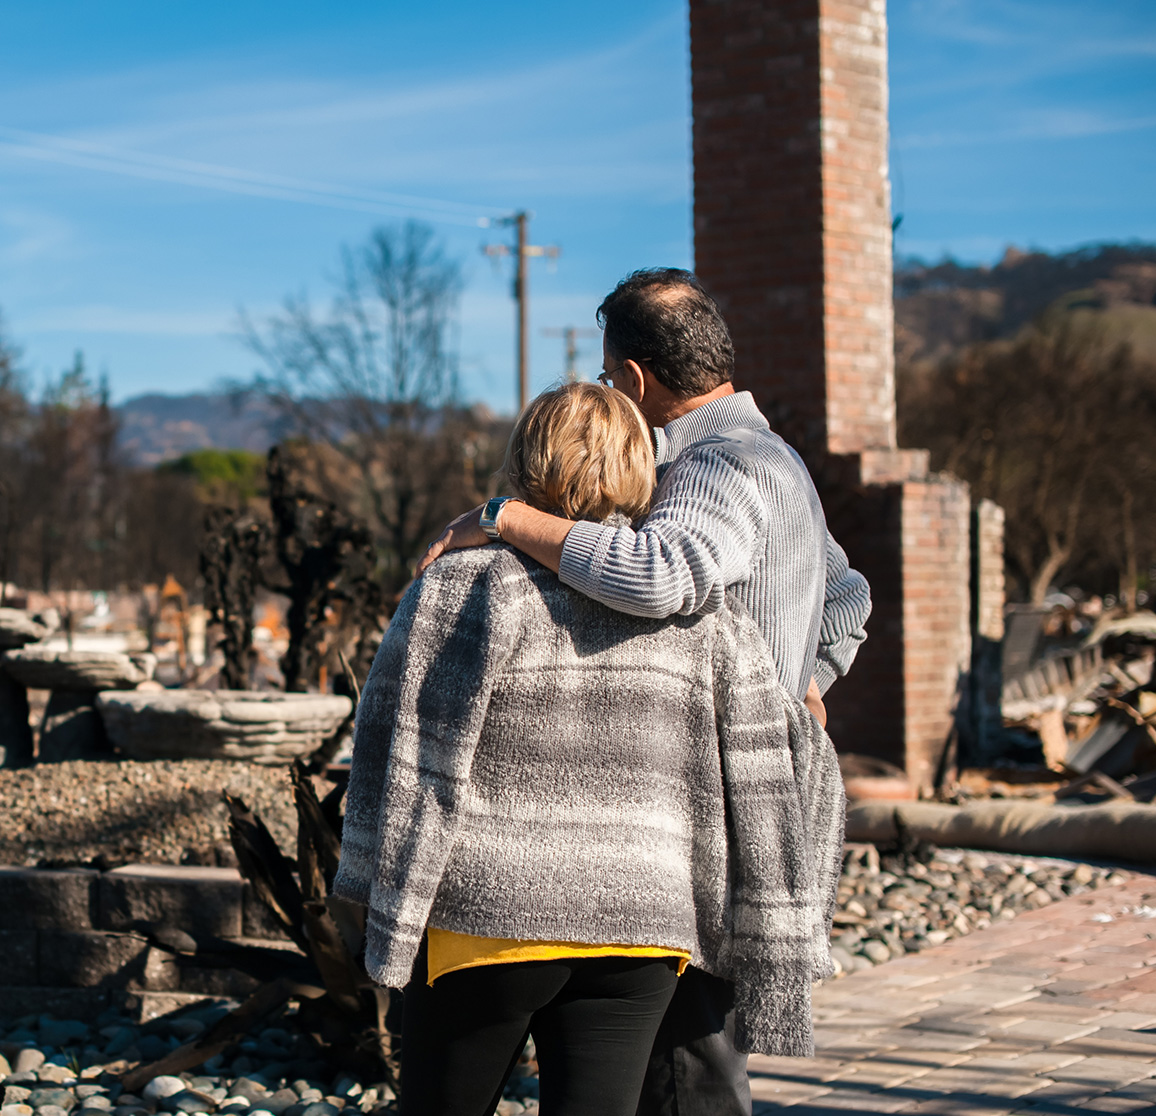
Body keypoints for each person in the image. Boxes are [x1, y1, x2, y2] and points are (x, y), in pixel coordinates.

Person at [416, 267, 873, 1116]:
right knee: (689, 1055)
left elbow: (659, 575)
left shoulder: (715, 469)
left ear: (632, 376)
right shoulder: (779, 461)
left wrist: (505, 518)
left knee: (686, 1070)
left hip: (718, 801)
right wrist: (807, 682)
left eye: (606, 370)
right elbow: (849, 595)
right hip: (745, 793)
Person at [336, 382, 842, 1116]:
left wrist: (365, 887)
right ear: (645, 471)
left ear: (525, 462)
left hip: (488, 916)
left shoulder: (466, 581)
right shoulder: (704, 618)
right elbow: (754, 769)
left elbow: (396, 745)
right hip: (642, 924)